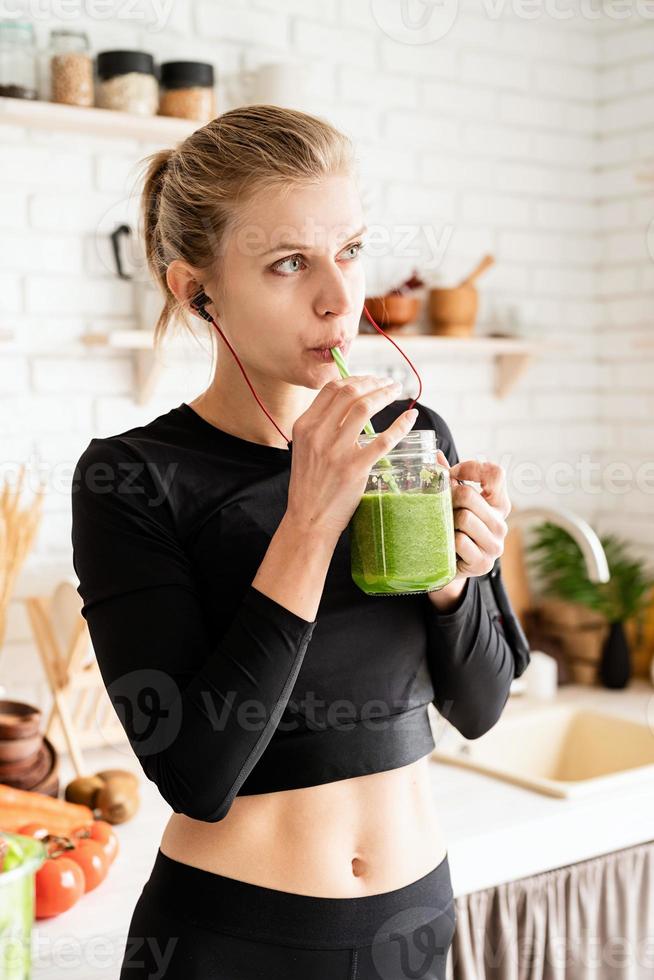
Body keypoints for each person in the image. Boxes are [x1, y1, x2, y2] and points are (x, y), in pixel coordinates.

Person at [71, 104, 530, 980]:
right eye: (290, 263)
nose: (339, 297)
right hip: (236, 941)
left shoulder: (411, 434)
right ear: (193, 288)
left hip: (417, 926)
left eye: (350, 251)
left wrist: (454, 581)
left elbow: (480, 708)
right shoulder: (132, 477)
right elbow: (196, 773)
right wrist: (310, 520)